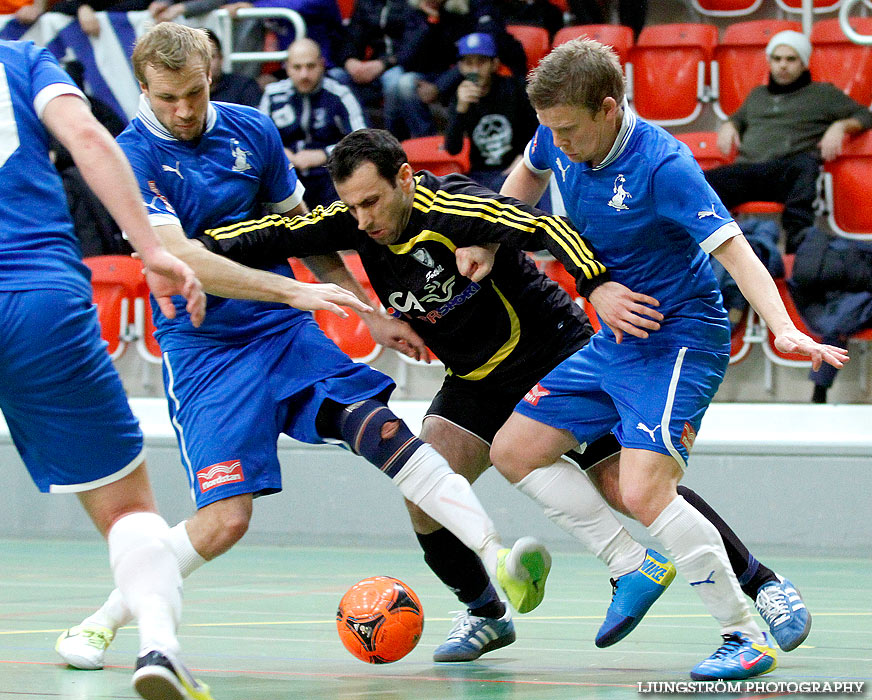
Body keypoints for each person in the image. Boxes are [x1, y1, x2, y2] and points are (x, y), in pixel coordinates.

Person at [195, 128, 813, 663]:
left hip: (554, 353)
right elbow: (274, 232)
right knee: (424, 489)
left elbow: (544, 225)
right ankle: (486, 613)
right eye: (353, 208)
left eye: (373, 202)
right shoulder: (356, 223)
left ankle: (763, 586)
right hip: (475, 379)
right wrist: (181, 246)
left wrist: (594, 285)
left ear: (406, 178)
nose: (364, 220)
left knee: (630, 488)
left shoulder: (453, 204)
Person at [54, 22, 546, 671]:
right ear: (143, 87)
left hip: (283, 332)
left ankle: (493, 558)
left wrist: (361, 309)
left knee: (380, 427)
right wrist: (293, 294)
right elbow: (181, 256)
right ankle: (103, 621)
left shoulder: (251, 130)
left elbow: (305, 228)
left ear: (212, 74)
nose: (183, 111)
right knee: (226, 521)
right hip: (206, 348)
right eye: (168, 98)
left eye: (195, 94)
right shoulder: (126, 155)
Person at [491, 38, 848, 679]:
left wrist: (784, 327)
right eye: (551, 129)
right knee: (512, 450)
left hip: (680, 339)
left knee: (643, 488)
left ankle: (744, 633)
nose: (559, 142)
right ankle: (631, 564)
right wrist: (490, 240)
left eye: (569, 129)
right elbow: (528, 170)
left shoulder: (662, 164)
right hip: (615, 341)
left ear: (608, 106)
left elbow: (735, 250)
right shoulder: (559, 132)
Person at [0, 38, 211, 700]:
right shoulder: (19, 59)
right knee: (126, 508)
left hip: (40, 296)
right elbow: (89, 139)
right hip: (41, 300)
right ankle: (159, 645)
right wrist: (149, 249)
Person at [705, 30, 872, 254]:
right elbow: (738, 117)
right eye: (777, 58)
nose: (783, 65)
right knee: (702, 181)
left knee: (805, 166)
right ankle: (711, 251)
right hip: (750, 170)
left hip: (788, 171)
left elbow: (865, 115)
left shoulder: (823, 94)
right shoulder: (757, 95)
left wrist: (840, 126)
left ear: (803, 63)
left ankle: (797, 251)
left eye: (790, 59)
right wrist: (729, 124)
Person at [260, 37, 366, 207]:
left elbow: (363, 141)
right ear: (286, 67)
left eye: (310, 66)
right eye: (297, 67)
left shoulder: (340, 95)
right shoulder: (272, 95)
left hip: (330, 177)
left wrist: (324, 154)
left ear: (322, 64)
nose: (304, 74)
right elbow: (259, 141)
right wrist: (280, 153)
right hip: (286, 178)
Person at [444, 32, 539, 194]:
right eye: (468, 63)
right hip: (481, 174)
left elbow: (538, 130)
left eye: (481, 62)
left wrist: (525, 157)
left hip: (520, 166)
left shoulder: (515, 90)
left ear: (495, 64)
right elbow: (453, 149)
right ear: (460, 67)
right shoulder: (460, 96)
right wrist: (460, 110)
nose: (475, 70)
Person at [204, 29, 262, 108]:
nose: (206, 63)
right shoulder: (183, 90)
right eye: (200, 58)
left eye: (211, 57)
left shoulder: (244, 86)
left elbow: (254, 118)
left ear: (221, 58)